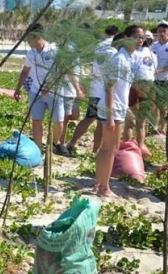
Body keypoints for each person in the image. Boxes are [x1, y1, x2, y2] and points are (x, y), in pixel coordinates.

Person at [14, 23, 80, 156]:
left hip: (55, 92)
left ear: (38, 37)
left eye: (29, 38)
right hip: (36, 91)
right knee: (36, 120)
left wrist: (77, 89)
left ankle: (55, 143)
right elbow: (25, 71)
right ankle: (38, 149)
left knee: (58, 121)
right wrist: (18, 89)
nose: (28, 41)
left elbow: (65, 71)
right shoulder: (31, 53)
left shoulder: (54, 51)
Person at [95, 26, 139, 197]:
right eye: (136, 36)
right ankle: (104, 188)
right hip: (113, 108)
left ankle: (99, 183)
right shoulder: (119, 59)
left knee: (106, 148)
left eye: (142, 37)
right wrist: (111, 115)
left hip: (117, 107)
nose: (140, 40)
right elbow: (109, 88)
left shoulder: (127, 58)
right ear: (126, 38)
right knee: (110, 149)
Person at [67, 25, 119, 153]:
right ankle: (96, 150)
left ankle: (72, 142)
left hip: (95, 89)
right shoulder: (115, 49)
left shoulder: (99, 46)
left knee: (89, 118)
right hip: (105, 92)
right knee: (102, 123)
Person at [123, 27, 157, 156]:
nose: (140, 40)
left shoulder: (134, 54)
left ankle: (128, 151)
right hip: (147, 87)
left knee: (130, 123)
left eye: (142, 38)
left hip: (135, 87)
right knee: (140, 124)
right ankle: (138, 151)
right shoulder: (153, 55)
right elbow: (153, 72)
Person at [153, 20, 168, 134]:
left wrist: (160, 71)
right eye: (159, 31)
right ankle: (154, 125)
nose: (162, 33)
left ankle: (163, 127)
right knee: (154, 104)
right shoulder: (154, 46)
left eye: (164, 31)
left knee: (163, 105)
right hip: (154, 79)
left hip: (165, 79)